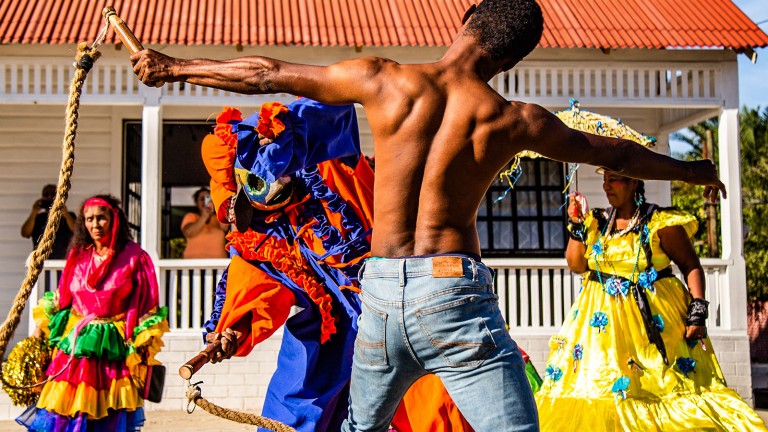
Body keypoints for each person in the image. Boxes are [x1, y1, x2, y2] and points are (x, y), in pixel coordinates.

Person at [131, 0, 726, 429]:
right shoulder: (514, 118)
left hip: (382, 293)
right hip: (453, 292)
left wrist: (173, 68)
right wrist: (695, 172)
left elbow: (267, 72)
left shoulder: (385, 79)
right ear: (511, 59)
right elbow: (617, 153)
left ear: (464, 20)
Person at [533, 172, 767, 431]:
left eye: (615, 179)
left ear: (634, 182)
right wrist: (576, 223)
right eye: (605, 178)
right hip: (601, 333)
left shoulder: (659, 222)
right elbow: (577, 264)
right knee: (600, 393)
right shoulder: (597, 222)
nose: (606, 185)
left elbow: (690, 264)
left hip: (654, 326)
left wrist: (698, 310)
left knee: (664, 391)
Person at [16, 194, 169, 432]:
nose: (95, 224)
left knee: (108, 416)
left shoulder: (135, 257)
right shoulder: (78, 255)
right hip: (74, 346)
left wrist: (144, 343)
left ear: (114, 219)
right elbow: (62, 297)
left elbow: (147, 305)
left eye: (101, 218)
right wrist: (39, 331)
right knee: (67, 412)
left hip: (113, 347)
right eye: (89, 219)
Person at [20, 184, 76, 259]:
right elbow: (25, 233)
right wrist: (34, 211)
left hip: (63, 261)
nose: (49, 197)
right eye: (46, 194)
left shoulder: (69, 216)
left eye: (53, 194)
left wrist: (65, 213)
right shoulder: (37, 218)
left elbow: (76, 231)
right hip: (42, 261)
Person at [181, 187, 229, 258]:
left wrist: (218, 206)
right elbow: (189, 233)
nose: (204, 202)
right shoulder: (191, 216)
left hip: (218, 265)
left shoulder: (218, 217)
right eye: (201, 199)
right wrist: (204, 217)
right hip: (193, 265)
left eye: (208, 198)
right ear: (196, 203)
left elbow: (225, 227)